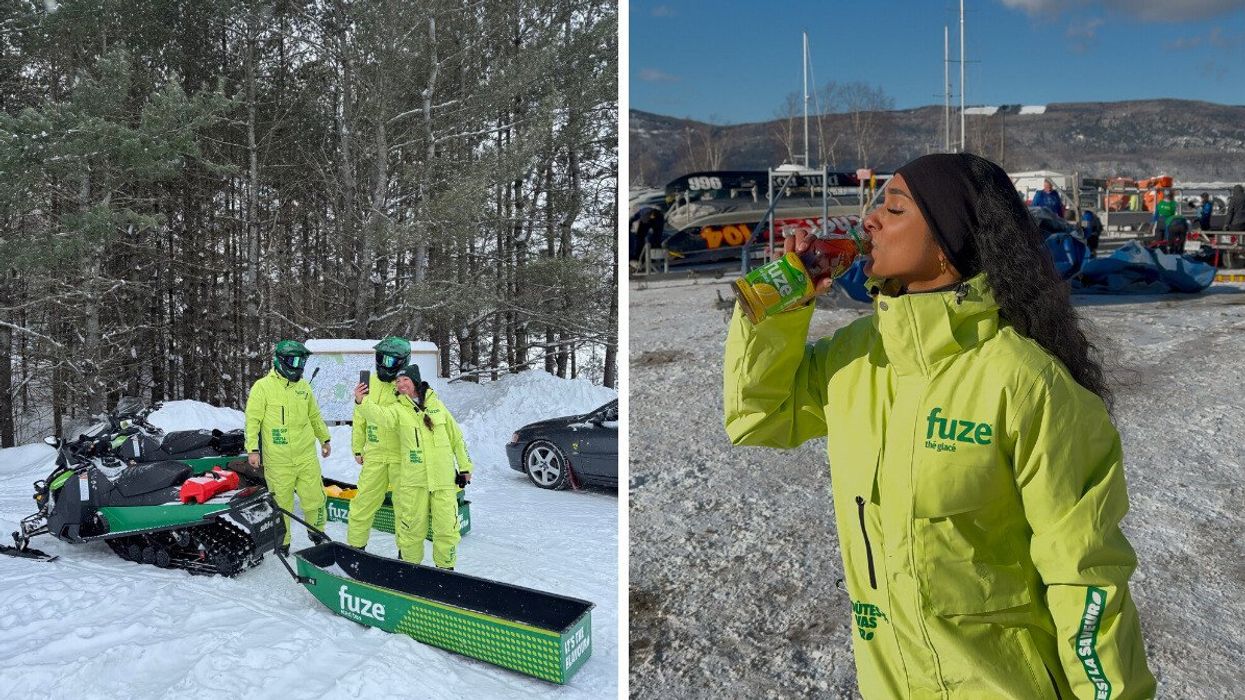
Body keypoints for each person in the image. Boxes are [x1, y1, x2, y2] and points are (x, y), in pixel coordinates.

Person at [724, 153, 1155, 698]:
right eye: (878, 202)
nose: (870, 219)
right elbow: (757, 418)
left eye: (895, 207)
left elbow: (1085, 577)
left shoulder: (1026, 384)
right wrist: (779, 309)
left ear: (947, 245)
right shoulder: (857, 357)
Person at [352, 364, 473, 569]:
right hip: (414, 481)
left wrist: (465, 467)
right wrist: (361, 401)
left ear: (415, 381)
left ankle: (446, 569)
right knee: (411, 529)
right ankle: (410, 569)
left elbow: (456, 438)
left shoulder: (437, 406)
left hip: (442, 479)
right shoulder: (398, 409)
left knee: (446, 529)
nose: (401, 384)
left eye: (405, 380)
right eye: (397, 381)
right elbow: (380, 415)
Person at [245, 340, 331, 555]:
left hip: (306, 457)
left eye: (302, 360)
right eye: (294, 360)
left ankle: (317, 534)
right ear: (280, 361)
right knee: (282, 504)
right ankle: (283, 543)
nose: (299, 365)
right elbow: (252, 421)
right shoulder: (263, 387)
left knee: (315, 499)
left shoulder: (303, 387)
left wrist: (325, 439)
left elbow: (314, 416)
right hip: (278, 460)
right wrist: (252, 450)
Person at [346, 336, 411, 551]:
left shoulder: (405, 385)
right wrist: (357, 447)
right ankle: (356, 549)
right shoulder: (369, 383)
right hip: (374, 454)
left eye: (390, 361)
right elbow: (359, 417)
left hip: (401, 456)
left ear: (402, 362)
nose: (383, 364)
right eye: (380, 358)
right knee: (362, 504)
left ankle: (407, 557)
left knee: (405, 509)